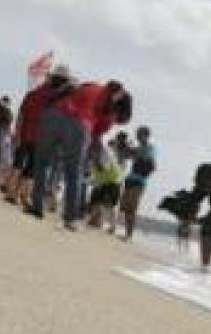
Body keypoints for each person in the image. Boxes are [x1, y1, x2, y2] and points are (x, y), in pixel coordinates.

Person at [29, 80, 133, 230]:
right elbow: (94, 136)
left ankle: (37, 207)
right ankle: (70, 218)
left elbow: (71, 91)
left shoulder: (93, 86)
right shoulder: (110, 114)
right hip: (80, 125)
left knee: (42, 163)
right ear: (120, 110)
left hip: (54, 114)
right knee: (74, 173)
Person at [5, 64, 73, 206]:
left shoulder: (33, 93)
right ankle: (20, 194)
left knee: (19, 163)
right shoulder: (59, 99)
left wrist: (17, 132)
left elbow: (21, 114)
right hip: (41, 138)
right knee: (31, 168)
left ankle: (12, 192)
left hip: (26, 133)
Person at [118, 125, 157, 240]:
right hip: (130, 179)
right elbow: (124, 156)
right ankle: (127, 233)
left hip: (139, 182)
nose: (137, 136)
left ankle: (129, 235)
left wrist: (129, 149)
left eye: (139, 134)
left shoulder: (150, 148)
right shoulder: (139, 148)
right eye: (137, 134)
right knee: (126, 208)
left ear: (146, 135)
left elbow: (144, 158)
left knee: (132, 208)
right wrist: (123, 147)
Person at [86, 147, 123, 232]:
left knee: (111, 205)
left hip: (115, 180)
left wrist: (96, 162)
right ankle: (95, 221)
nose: (91, 155)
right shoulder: (92, 162)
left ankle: (112, 227)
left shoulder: (106, 153)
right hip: (103, 182)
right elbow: (95, 175)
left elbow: (105, 168)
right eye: (91, 153)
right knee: (96, 201)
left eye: (92, 153)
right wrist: (93, 181)